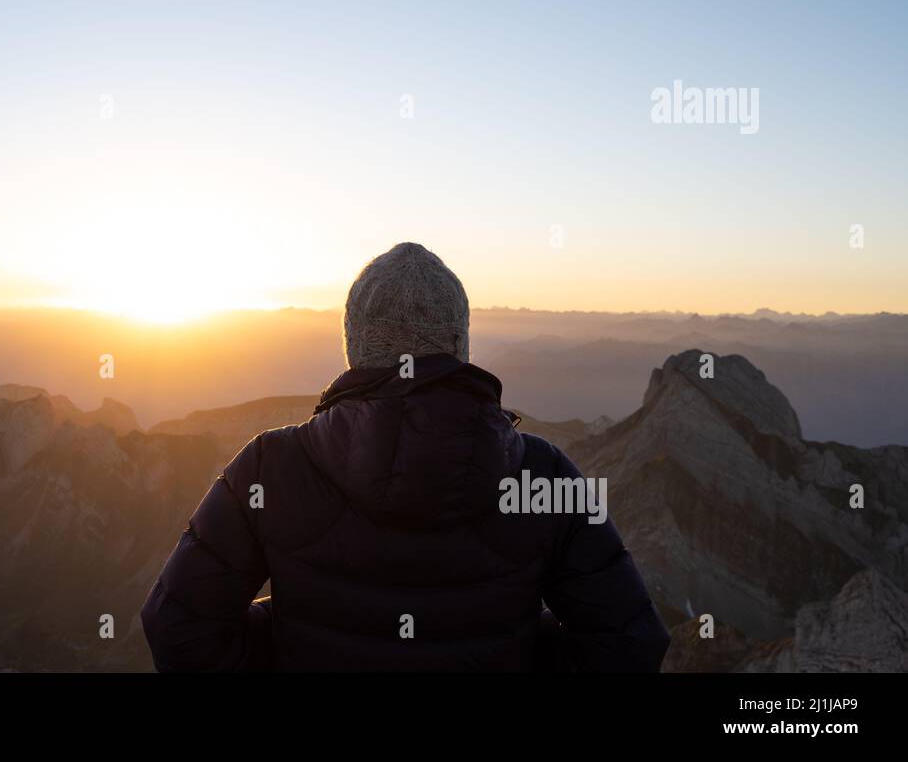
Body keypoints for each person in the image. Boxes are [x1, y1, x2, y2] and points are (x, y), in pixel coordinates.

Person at [140, 242, 670, 671]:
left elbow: (178, 629)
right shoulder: (543, 476)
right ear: (460, 344)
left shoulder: (269, 467)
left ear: (353, 346)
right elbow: (629, 646)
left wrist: (288, 640)